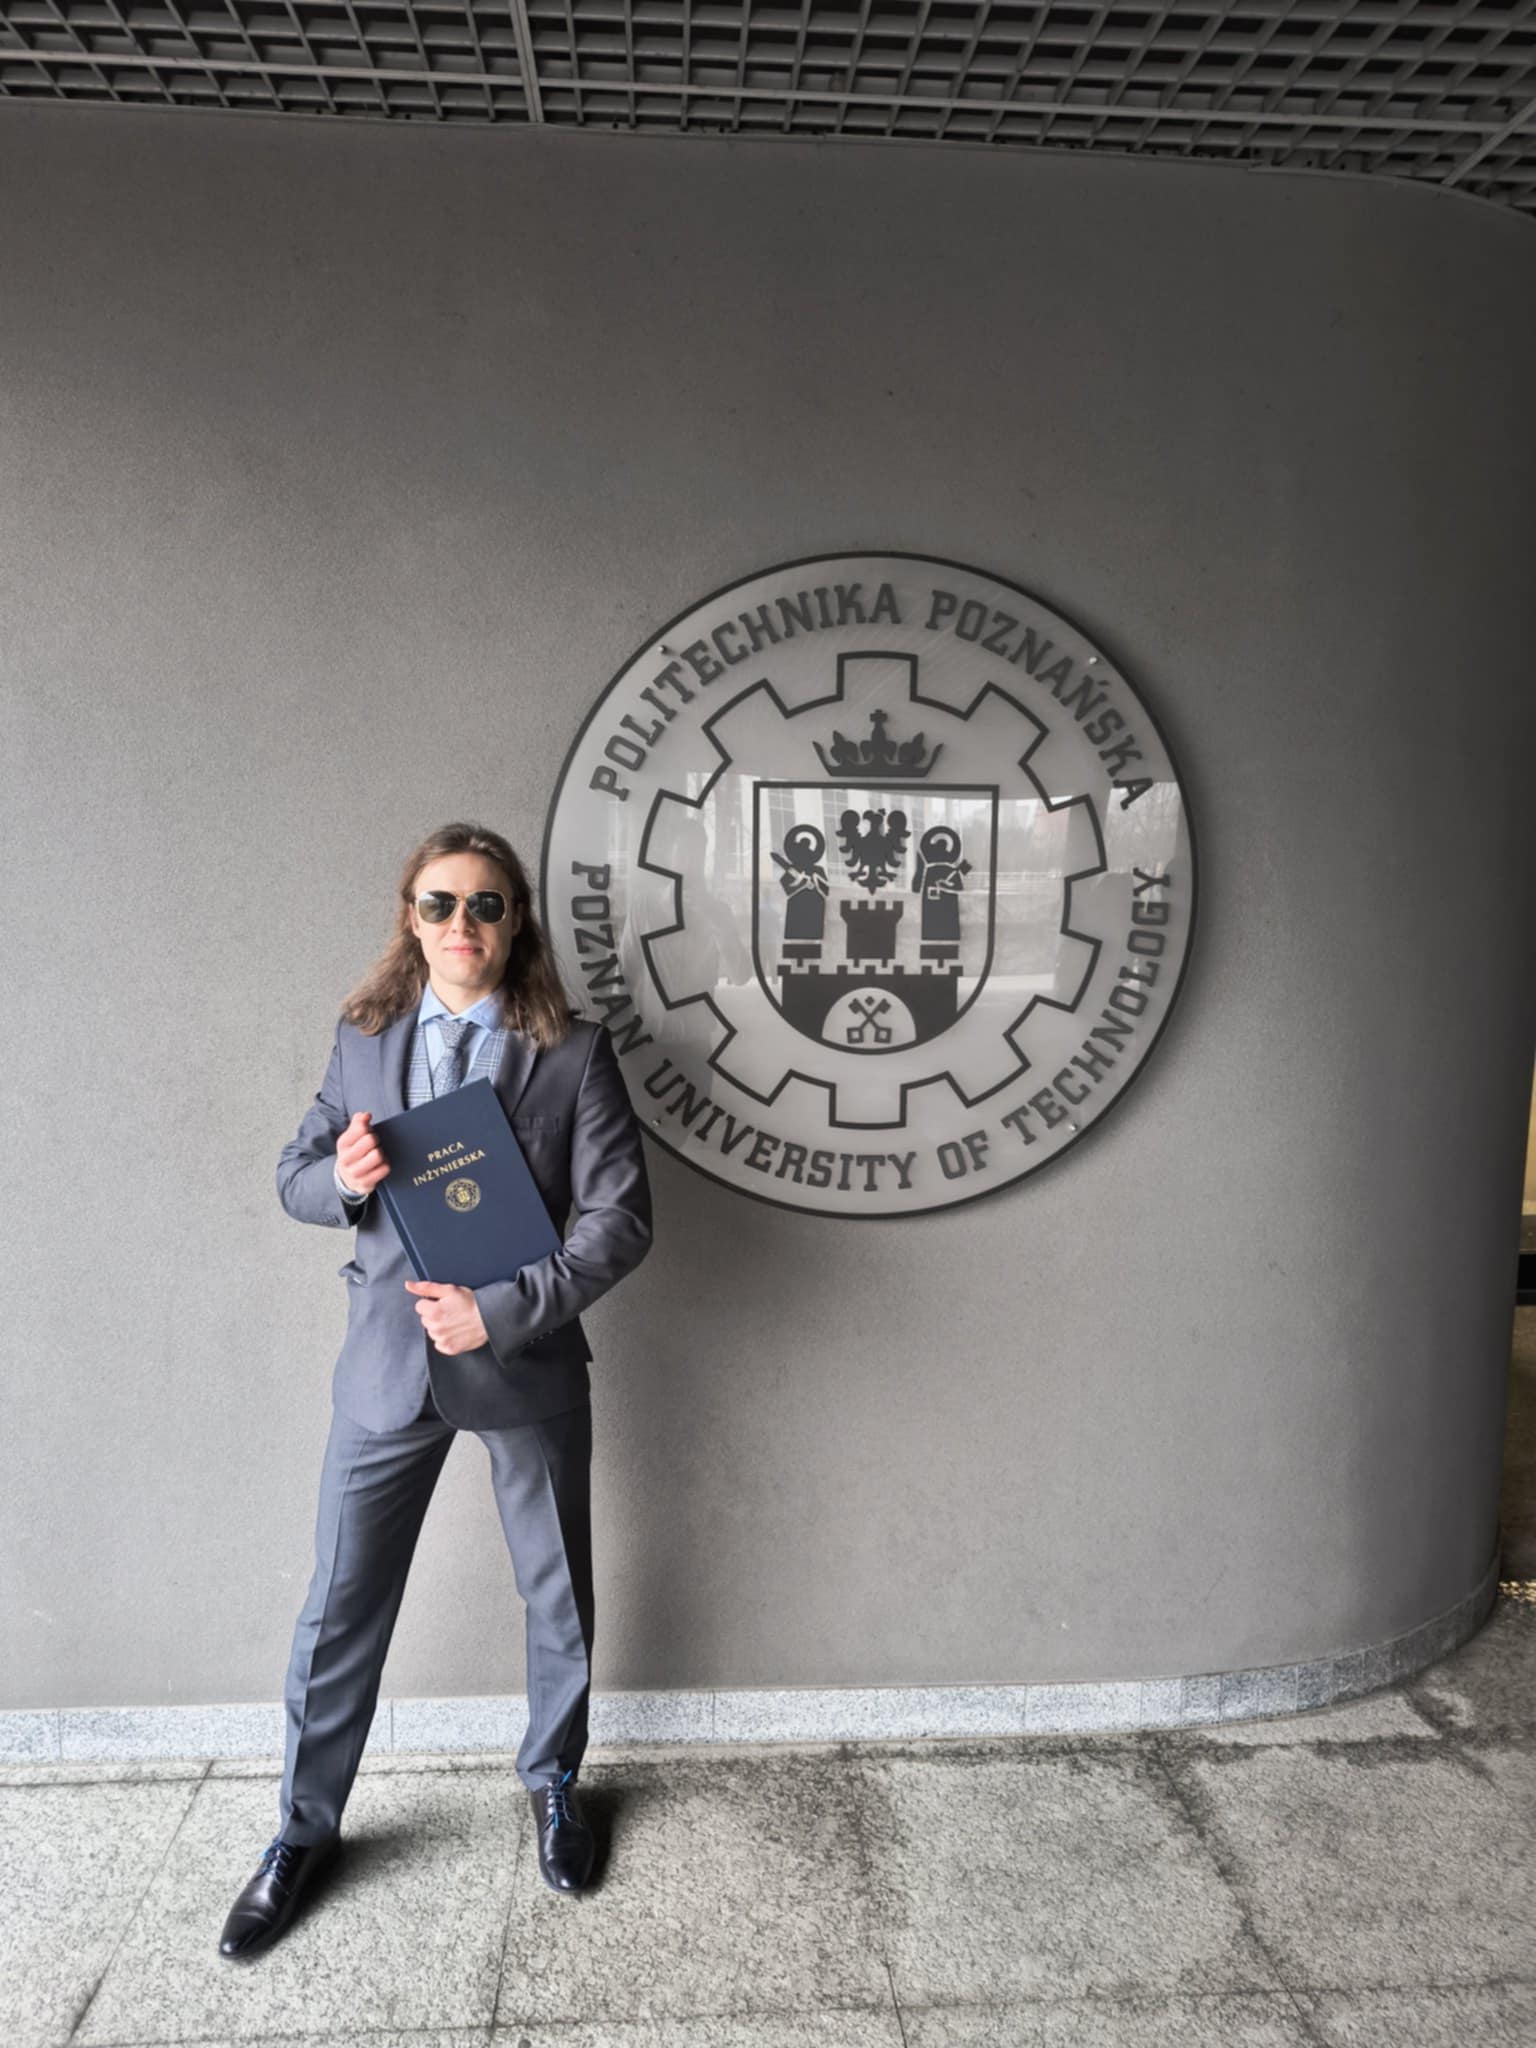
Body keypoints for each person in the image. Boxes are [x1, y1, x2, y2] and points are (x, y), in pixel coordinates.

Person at [218, 821, 653, 1961]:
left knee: (557, 1595)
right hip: (385, 1368)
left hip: (523, 1357)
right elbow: (294, 1175)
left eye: (487, 904)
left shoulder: (574, 1052)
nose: (464, 924)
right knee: (338, 1609)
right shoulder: (362, 1038)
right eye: (440, 903)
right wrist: (342, 1178)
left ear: (517, 923)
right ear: (411, 919)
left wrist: (499, 1311)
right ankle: (301, 1832)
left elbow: (619, 1221)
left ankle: (554, 1784)